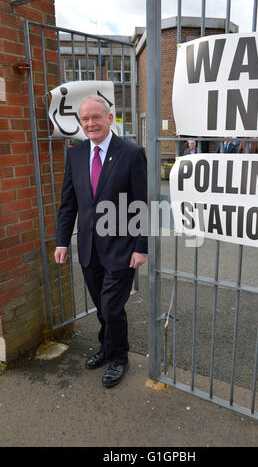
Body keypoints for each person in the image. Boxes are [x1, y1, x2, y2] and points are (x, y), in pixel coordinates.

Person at [54, 95, 147, 388]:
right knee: (101, 305)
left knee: (111, 307)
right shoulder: (76, 154)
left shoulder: (131, 153)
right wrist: (61, 242)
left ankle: (119, 357)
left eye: (96, 117)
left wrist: (141, 247)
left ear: (109, 118)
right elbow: (68, 203)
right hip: (89, 248)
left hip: (122, 246)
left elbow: (142, 203)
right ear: (80, 123)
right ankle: (107, 347)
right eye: (85, 119)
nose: (91, 123)